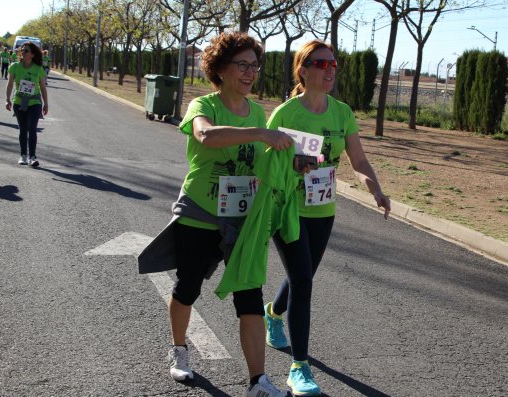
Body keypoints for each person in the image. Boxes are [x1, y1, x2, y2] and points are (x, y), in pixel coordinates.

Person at [160, 32, 294, 397]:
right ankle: (180, 351)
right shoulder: (203, 105)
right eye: (242, 64)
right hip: (199, 212)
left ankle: (257, 381)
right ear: (220, 68)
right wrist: (260, 133)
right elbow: (206, 137)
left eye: (255, 65)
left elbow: (261, 161)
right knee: (188, 286)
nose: (251, 72)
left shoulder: (257, 111)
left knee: (249, 295)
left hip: (241, 218)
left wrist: (293, 161)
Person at [263, 39, 391, 396]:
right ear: (303, 71)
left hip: (323, 210)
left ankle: (273, 312)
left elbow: (359, 160)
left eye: (333, 64)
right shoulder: (286, 114)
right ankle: (299, 368)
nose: (330, 69)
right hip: (287, 207)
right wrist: (299, 164)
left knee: (301, 275)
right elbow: (268, 160)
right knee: (303, 281)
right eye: (321, 64)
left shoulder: (342, 113)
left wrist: (375, 189)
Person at [5, 42, 48, 167]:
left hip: (34, 102)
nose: (23, 52)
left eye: (26, 50)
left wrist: (46, 104)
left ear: (33, 54)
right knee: (23, 129)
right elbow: (10, 84)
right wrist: (7, 99)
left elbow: (43, 88)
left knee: (32, 129)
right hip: (19, 102)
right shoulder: (14, 66)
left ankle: (32, 157)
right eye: (22, 50)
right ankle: (23, 155)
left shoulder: (38, 68)